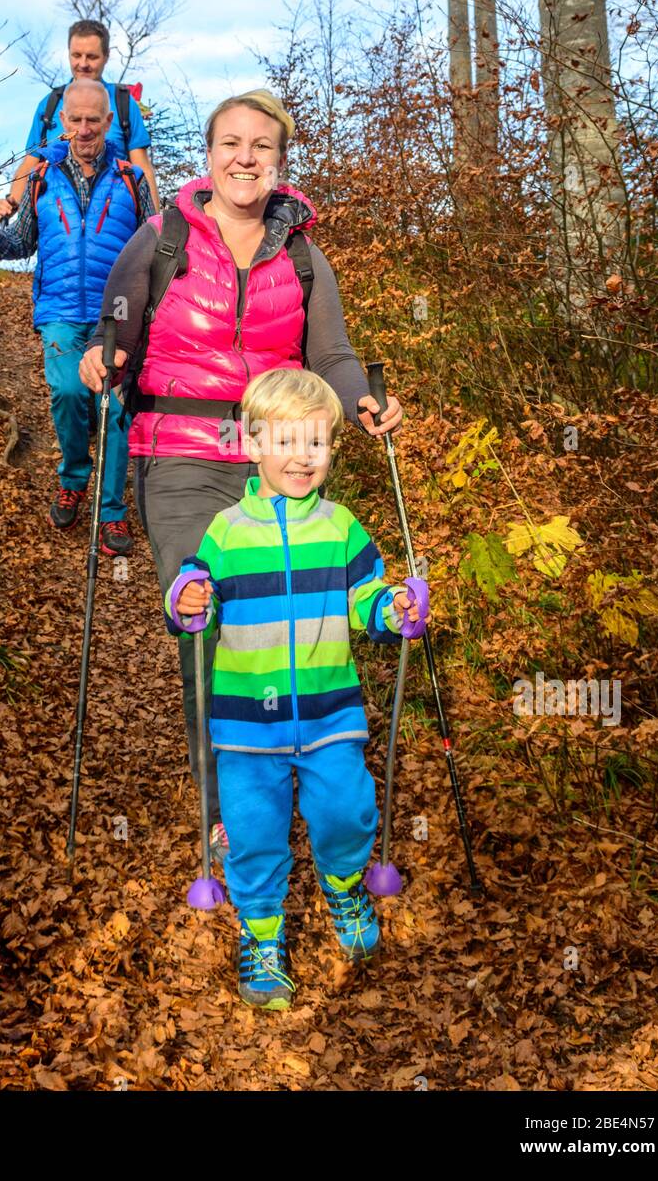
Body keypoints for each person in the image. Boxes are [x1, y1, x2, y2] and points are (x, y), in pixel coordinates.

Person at [78, 88, 403, 856]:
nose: (245, 157)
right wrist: (102, 361)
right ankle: (230, 808)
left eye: (262, 145)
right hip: (181, 459)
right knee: (205, 619)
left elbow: (331, 357)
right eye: (231, 143)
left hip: (278, 462)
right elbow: (114, 332)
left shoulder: (302, 252)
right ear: (210, 154)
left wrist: (362, 404)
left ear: (280, 162)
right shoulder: (161, 240)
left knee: (285, 628)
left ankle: (301, 772)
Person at [164, 369, 426, 1009]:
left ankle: (342, 883)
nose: (301, 457)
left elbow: (367, 597)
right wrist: (188, 601)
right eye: (285, 441)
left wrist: (391, 608)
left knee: (346, 812)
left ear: (332, 448)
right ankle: (261, 937)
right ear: (252, 445)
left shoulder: (342, 528)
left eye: (316, 443)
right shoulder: (226, 532)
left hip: (331, 713)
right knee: (254, 834)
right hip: (248, 730)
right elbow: (198, 603)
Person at [0, 79, 154, 555]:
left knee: (114, 408)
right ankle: (74, 476)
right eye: (75, 119)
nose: (85, 128)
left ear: (110, 122)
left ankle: (112, 513)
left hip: (117, 314)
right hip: (58, 310)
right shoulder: (42, 177)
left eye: (94, 119)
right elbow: (20, 245)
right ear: (63, 123)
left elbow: (158, 246)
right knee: (70, 391)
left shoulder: (131, 178)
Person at [0, 19, 160, 218]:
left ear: (106, 56)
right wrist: (11, 204)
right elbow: (30, 163)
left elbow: (142, 167)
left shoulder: (123, 103)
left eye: (91, 56)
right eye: (76, 55)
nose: (82, 64)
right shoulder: (49, 104)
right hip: (57, 227)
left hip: (114, 224)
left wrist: (154, 226)